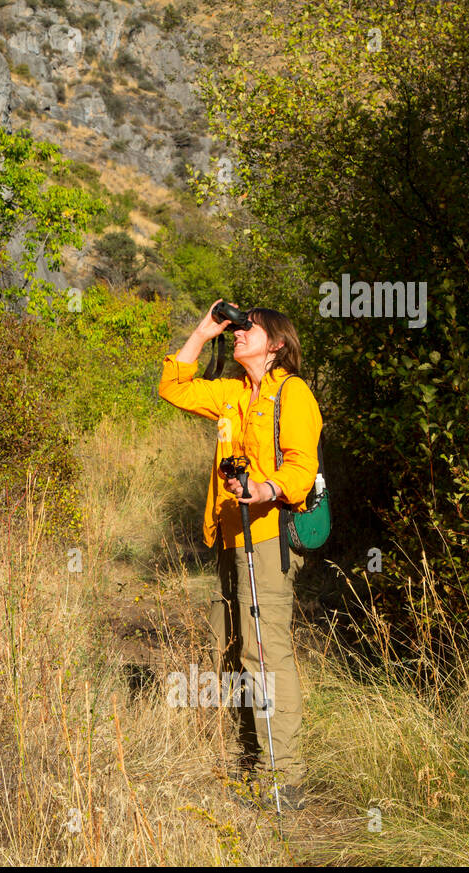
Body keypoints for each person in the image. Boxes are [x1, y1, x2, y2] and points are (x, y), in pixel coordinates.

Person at [158, 300, 322, 810]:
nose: (239, 334)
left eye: (249, 329)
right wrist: (204, 332)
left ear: (276, 344)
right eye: (236, 328)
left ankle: (285, 777)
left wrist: (267, 489)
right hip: (230, 535)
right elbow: (174, 387)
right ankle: (249, 759)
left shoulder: (292, 394)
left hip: (268, 536)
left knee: (266, 652)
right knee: (231, 649)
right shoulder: (232, 393)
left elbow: (301, 466)